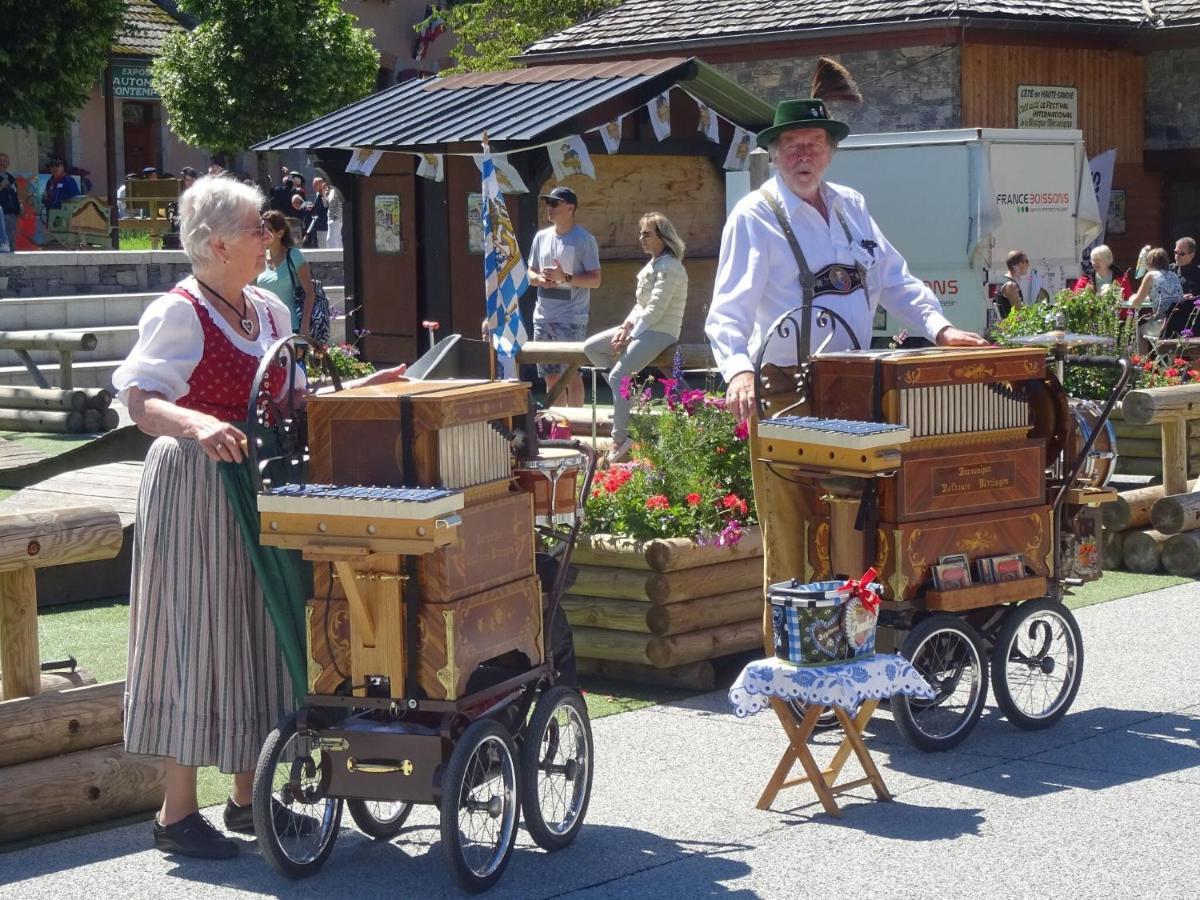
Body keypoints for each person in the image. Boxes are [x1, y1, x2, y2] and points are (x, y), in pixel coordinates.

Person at [112, 175, 407, 860]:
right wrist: (198, 425)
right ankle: (176, 813)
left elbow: (291, 399)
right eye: (255, 229)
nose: (266, 237)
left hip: (264, 480)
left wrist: (360, 391)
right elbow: (141, 400)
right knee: (195, 632)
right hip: (197, 483)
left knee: (264, 625)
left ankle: (250, 799)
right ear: (216, 244)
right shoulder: (180, 311)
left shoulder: (269, 311)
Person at [705, 61, 986, 643]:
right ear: (776, 153)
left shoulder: (853, 206)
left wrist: (939, 329)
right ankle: (795, 671)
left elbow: (896, 280)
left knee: (857, 526)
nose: (802, 154)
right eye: (790, 146)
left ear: (830, 151)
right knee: (792, 536)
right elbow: (725, 312)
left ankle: (854, 652)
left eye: (812, 143)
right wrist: (737, 371)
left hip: (854, 391)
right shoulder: (755, 216)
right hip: (784, 393)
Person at [584, 212, 688, 463]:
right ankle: (627, 396)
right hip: (643, 328)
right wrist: (625, 326)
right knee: (592, 348)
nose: (641, 238)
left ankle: (620, 438)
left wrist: (629, 335)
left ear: (662, 236)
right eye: (640, 232)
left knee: (619, 375)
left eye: (647, 233)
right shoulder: (652, 265)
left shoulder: (671, 266)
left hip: (662, 331)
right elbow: (641, 306)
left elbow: (656, 310)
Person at [527, 186, 602, 406]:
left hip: (571, 317)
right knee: (550, 376)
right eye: (547, 203)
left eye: (555, 203)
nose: (549, 208)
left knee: (571, 376)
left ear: (570, 208)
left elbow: (595, 280)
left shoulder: (584, 239)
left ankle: (576, 423)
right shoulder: (541, 237)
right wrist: (538, 279)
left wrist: (565, 277)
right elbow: (529, 271)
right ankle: (559, 425)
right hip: (542, 317)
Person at [257, 208, 315, 337]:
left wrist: (305, 326)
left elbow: (310, 292)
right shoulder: (259, 258)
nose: (263, 234)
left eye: (268, 230)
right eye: (261, 229)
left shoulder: (294, 256)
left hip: (290, 327)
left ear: (280, 233)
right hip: (265, 329)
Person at [1131, 246, 1188, 342]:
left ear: (1149, 263)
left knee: (1138, 331)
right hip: (1180, 324)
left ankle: (1142, 357)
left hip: (1163, 325)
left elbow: (1136, 303)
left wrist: (1132, 298)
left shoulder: (1151, 275)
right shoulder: (1173, 275)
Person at [997, 250, 1029, 318]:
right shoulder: (1011, 285)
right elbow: (1019, 312)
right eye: (1026, 261)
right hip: (1012, 327)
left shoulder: (1003, 281)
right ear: (1019, 264)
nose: (1028, 265)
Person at [0, 153, 20, 251]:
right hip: (1, 214)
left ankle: (11, 264)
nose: (2, 163)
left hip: (12, 214)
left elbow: (15, 194)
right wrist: (1, 186)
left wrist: (19, 207)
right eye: (1, 161)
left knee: (11, 241)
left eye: (5, 161)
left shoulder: (11, 178)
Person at [308, 176, 330, 248]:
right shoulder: (317, 195)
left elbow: (326, 206)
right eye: (313, 184)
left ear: (321, 184)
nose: (313, 186)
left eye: (315, 184)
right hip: (318, 225)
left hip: (325, 225)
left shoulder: (327, 194)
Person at [325, 177, 344, 249]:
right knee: (338, 238)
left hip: (335, 218)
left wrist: (334, 217)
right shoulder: (331, 191)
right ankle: (341, 255)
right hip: (331, 217)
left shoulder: (336, 191)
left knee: (330, 240)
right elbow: (326, 204)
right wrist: (324, 193)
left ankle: (332, 257)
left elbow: (340, 203)